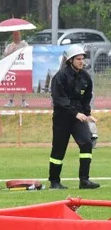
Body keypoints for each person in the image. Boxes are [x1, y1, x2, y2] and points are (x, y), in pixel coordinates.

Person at [48, 45, 100, 190]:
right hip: (62, 117)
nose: (81, 61)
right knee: (58, 149)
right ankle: (54, 181)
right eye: (78, 59)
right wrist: (75, 113)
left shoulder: (85, 77)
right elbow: (59, 99)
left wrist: (88, 115)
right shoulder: (61, 76)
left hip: (79, 117)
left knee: (86, 144)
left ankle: (84, 180)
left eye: (83, 59)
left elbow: (86, 98)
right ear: (70, 60)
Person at [3, 31, 29, 108]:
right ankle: (11, 101)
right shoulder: (9, 45)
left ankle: (24, 101)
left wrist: (24, 48)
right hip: (12, 68)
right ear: (12, 36)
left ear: (20, 35)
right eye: (14, 35)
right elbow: (5, 55)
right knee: (12, 84)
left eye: (17, 35)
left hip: (22, 67)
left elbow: (28, 51)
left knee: (23, 84)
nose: (16, 36)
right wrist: (11, 50)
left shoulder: (24, 44)